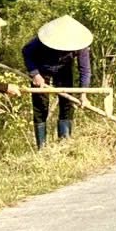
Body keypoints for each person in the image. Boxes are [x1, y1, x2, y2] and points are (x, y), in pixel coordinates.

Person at [22, 15, 93, 149]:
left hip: (64, 70)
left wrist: (83, 94)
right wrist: (35, 74)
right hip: (42, 68)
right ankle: (42, 147)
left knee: (67, 103)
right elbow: (26, 51)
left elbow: (85, 70)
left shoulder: (80, 44)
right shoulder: (42, 40)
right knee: (40, 106)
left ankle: (64, 143)